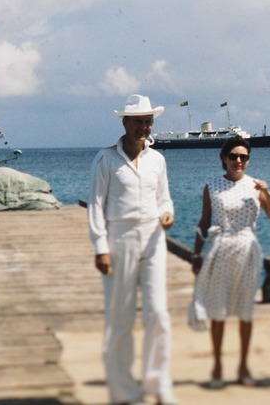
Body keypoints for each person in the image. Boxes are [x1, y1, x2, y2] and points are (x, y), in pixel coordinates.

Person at [88, 94, 178, 405]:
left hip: (154, 239)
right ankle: (123, 391)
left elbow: (164, 198)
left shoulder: (158, 160)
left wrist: (167, 213)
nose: (144, 126)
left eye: (148, 121)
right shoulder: (106, 159)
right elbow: (96, 206)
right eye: (138, 121)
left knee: (158, 314)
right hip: (120, 239)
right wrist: (101, 247)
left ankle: (158, 382)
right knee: (120, 317)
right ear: (124, 122)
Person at [191, 136, 270, 389]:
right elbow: (204, 221)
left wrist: (268, 192)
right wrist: (196, 254)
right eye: (233, 156)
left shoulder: (256, 186)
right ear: (224, 158)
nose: (238, 161)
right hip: (220, 249)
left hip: (248, 249)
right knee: (218, 312)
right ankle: (218, 367)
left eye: (243, 157)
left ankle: (243, 367)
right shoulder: (212, 186)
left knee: (245, 312)